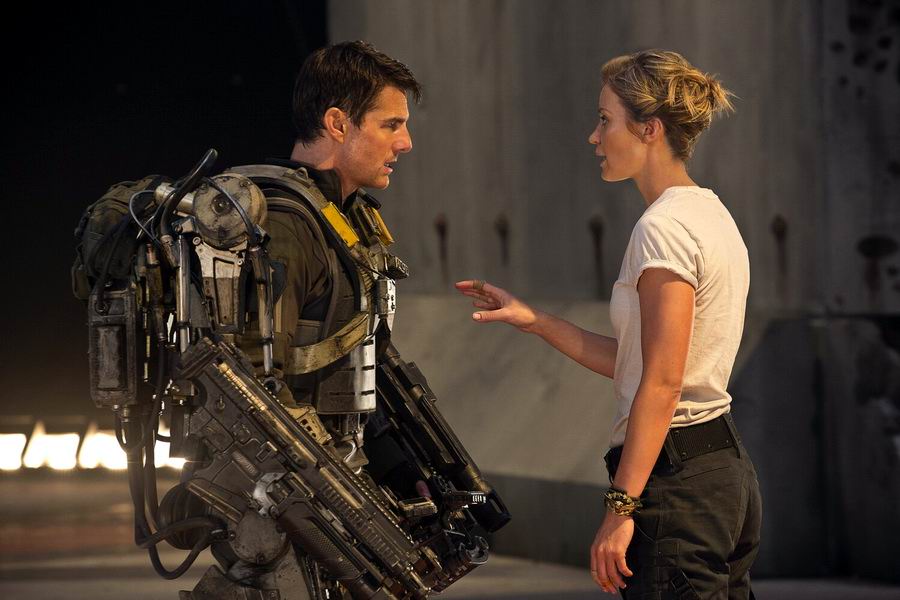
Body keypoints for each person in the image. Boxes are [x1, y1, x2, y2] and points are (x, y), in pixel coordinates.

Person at [456, 49, 761, 599]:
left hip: (678, 485)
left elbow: (663, 382)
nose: (593, 136)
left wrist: (620, 509)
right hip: (721, 472)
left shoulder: (663, 229)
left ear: (649, 129)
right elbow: (639, 363)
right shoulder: (711, 213)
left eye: (604, 119)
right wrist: (535, 320)